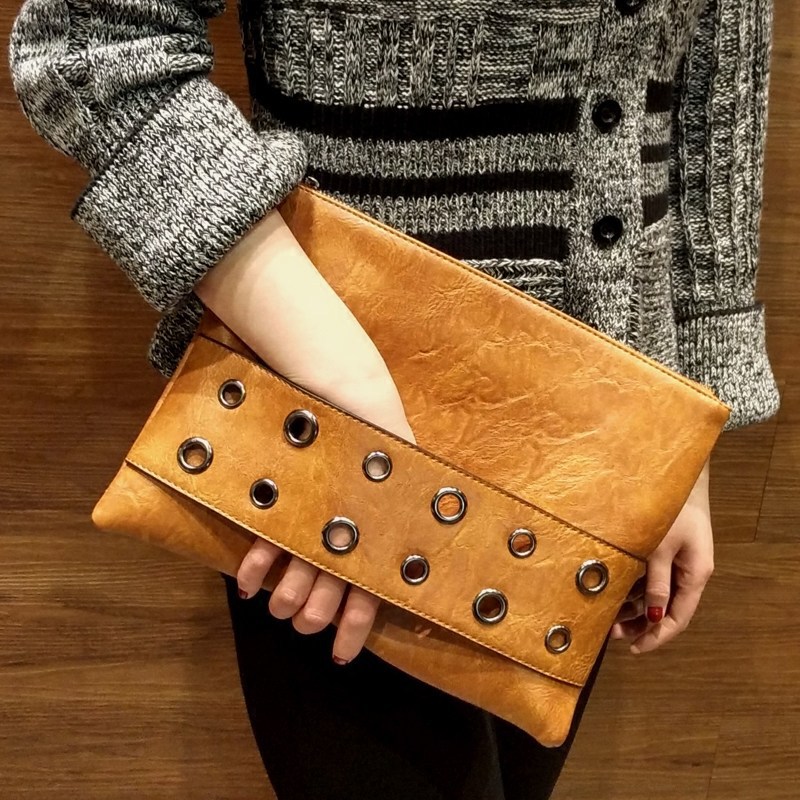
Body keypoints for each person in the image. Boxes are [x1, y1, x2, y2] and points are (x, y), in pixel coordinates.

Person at [9, 0, 781, 797]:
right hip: (329, 440)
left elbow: (715, 86)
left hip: (595, 451)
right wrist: (342, 383)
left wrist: (684, 432)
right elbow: (89, 44)